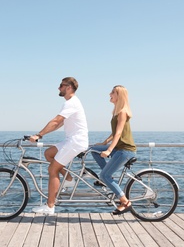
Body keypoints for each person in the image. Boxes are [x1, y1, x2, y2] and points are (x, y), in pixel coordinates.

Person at [29, 77, 89, 214]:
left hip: (76, 142)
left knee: (52, 170)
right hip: (71, 140)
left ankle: (50, 206)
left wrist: (39, 135)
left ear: (69, 88)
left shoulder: (71, 103)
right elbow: (59, 124)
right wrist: (43, 133)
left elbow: (56, 121)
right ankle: (68, 178)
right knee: (48, 154)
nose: (59, 88)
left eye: (61, 85)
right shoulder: (70, 103)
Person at [90, 85, 137, 215]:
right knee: (93, 149)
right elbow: (115, 132)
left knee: (104, 175)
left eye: (112, 92)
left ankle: (125, 202)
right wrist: (104, 143)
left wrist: (109, 150)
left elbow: (118, 134)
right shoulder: (116, 112)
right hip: (119, 147)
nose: (109, 94)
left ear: (119, 96)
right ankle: (106, 178)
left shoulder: (122, 112)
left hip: (125, 150)